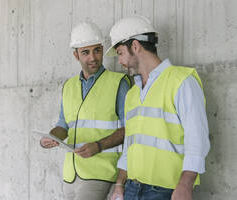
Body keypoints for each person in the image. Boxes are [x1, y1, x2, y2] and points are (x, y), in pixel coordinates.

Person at [105, 16, 210, 200]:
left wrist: (185, 184)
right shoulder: (133, 93)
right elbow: (130, 146)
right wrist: (120, 185)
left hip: (166, 191)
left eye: (120, 53)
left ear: (135, 46)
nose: (120, 61)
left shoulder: (181, 81)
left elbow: (197, 138)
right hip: (131, 188)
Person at [40, 22, 130, 200]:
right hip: (71, 174)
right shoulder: (69, 86)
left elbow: (131, 128)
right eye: (85, 52)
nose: (93, 57)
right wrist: (51, 137)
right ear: (76, 55)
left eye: (97, 50)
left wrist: (99, 146)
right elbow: (63, 125)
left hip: (101, 171)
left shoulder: (119, 83)